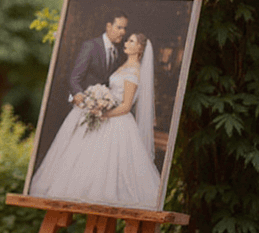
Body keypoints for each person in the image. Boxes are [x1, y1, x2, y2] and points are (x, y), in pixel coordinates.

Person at [30, 32, 162, 209]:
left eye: (132, 41)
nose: (127, 42)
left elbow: (126, 106)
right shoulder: (124, 65)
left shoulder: (134, 72)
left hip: (117, 120)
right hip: (106, 113)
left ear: (139, 48)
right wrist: (99, 99)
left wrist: (104, 113)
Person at [70, 10, 128, 106]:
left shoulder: (117, 52)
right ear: (108, 26)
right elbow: (75, 78)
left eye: (125, 28)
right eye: (119, 27)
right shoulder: (91, 46)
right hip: (85, 104)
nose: (123, 32)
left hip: (103, 107)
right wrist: (79, 94)